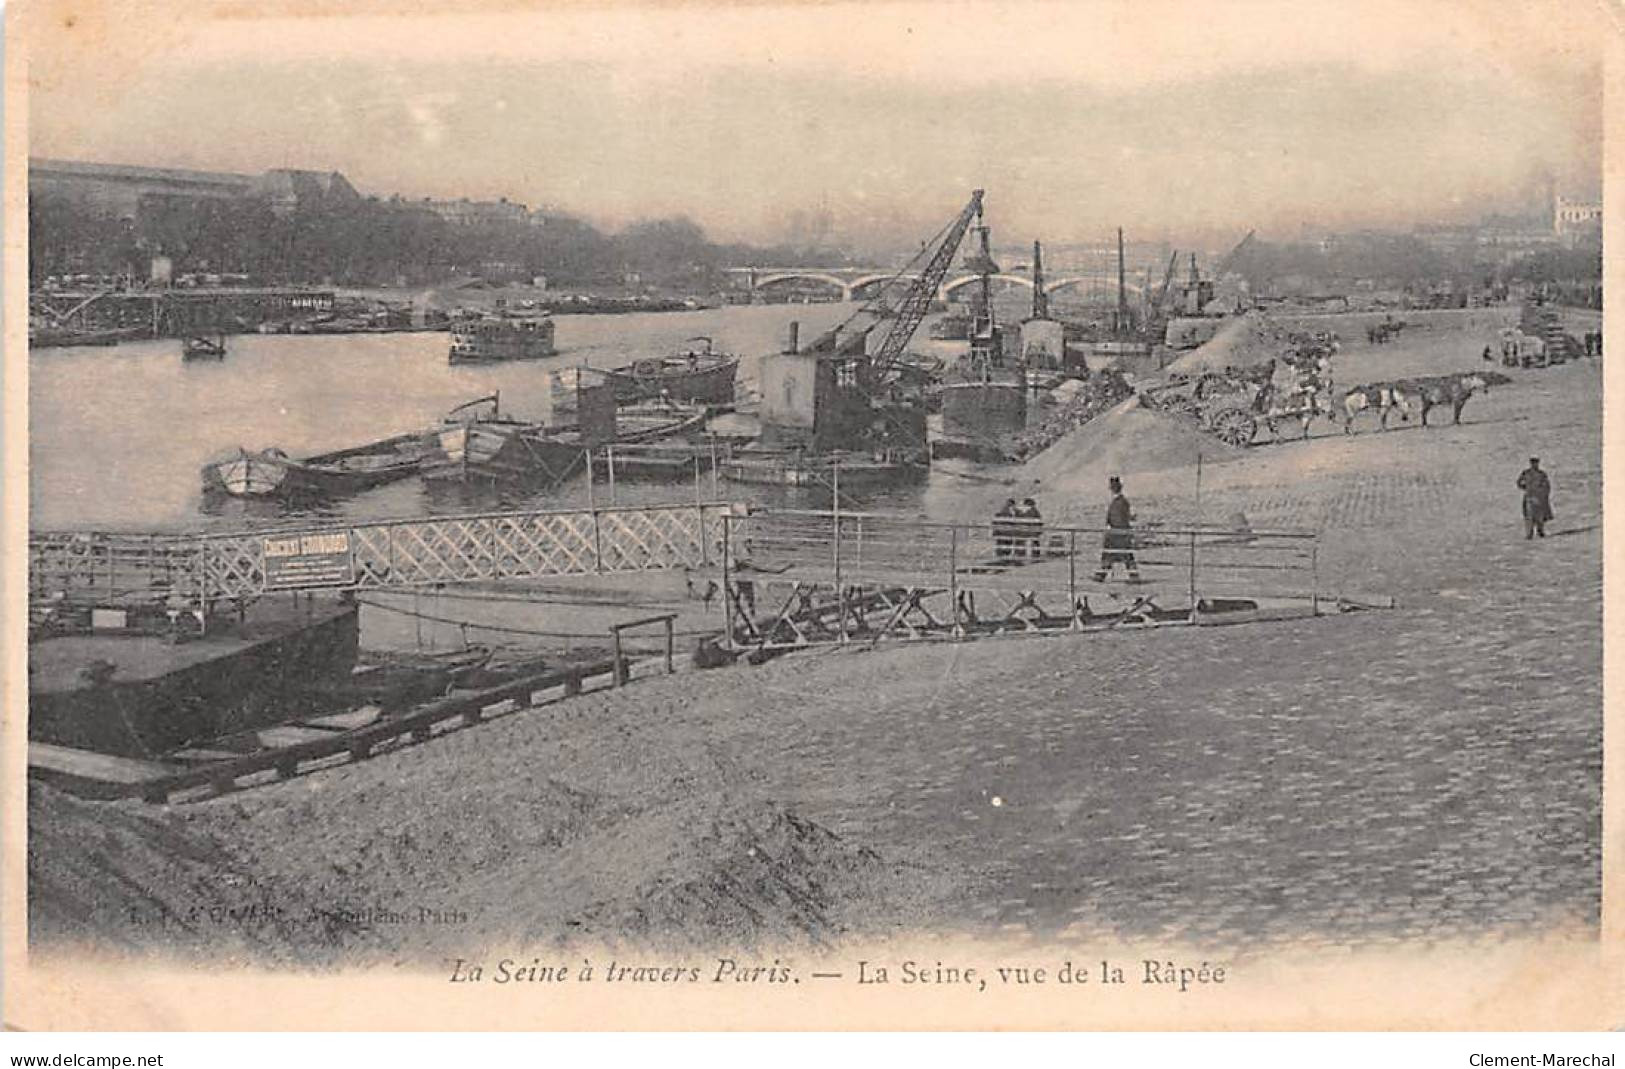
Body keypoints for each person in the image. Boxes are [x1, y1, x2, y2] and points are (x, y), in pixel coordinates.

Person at [1091, 476, 1141, 582]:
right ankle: (1101, 575)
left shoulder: (1121, 502)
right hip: (1117, 533)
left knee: (1122, 556)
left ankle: (1133, 577)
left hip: (1118, 534)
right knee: (1113, 555)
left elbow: (1119, 520)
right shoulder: (1119, 501)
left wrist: (1113, 531)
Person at [1517, 458, 1553, 540]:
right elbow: (1519, 482)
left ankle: (1540, 531)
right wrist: (1525, 487)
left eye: (1536, 463)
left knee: (1539, 516)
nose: (1534, 465)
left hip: (1539, 498)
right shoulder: (1526, 473)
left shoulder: (1542, 474)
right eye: (1533, 463)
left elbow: (1547, 485)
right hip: (1529, 497)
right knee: (1529, 516)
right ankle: (1529, 533)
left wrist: (1544, 494)